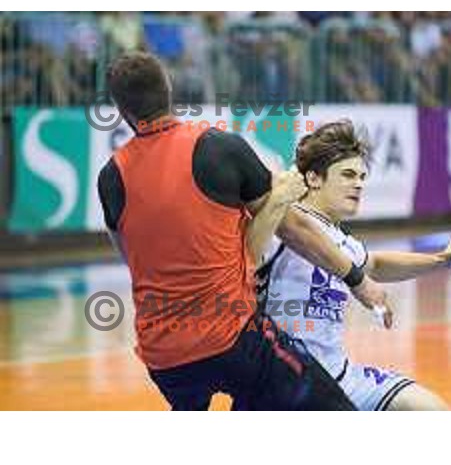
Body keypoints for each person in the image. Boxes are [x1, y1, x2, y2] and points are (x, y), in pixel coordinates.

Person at [96, 52, 388, 410]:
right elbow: (293, 228)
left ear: (121, 110)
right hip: (232, 341)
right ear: (169, 89)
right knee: (333, 409)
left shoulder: (110, 178)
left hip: (163, 358)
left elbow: (132, 257)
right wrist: (358, 279)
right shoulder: (216, 147)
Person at [257, 120, 451, 410]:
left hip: (343, 377)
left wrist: (443, 259)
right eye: (347, 175)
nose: (358, 184)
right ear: (314, 179)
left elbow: (376, 264)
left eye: (362, 176)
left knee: (430, 409)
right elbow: (277, 228)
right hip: (284, 384)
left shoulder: (344, 242)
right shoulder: (283, 223)